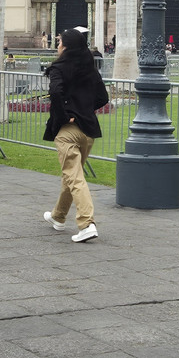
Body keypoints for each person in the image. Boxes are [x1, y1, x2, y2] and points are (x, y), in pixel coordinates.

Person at [42, 28, 109, 243]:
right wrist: (84, 110)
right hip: (88, 130)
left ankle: (87, 223)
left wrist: (65, 115)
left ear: (67, 46)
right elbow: (102, 97)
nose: (58, 45)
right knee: (71, 175)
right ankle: (58, 217)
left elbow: (55, 92)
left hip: (68, 131)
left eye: (60, 42)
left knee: (74, 177)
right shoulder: (90, 69)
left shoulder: (58, 68)